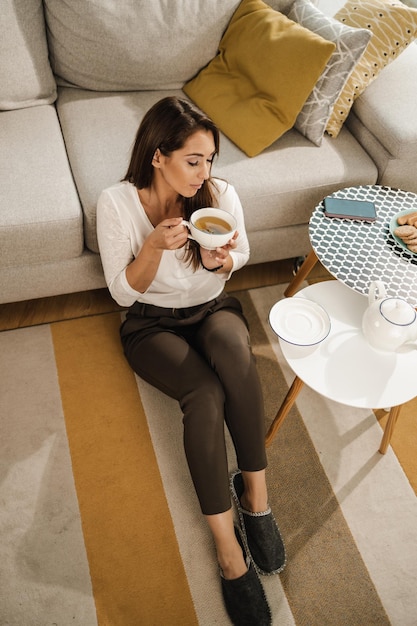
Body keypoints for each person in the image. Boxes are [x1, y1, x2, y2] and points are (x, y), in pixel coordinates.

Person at [97, 96, 285, 625]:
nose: (205, 172)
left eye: (209, 160)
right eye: (193, 160)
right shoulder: (116, 203)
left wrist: (222, 259)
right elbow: (121, 293)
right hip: (150, 322)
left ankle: (256, 501)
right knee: (204, 395)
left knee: (235, 356)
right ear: (158, 155)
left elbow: (240, 251)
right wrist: (154, 247)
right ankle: (229, 554)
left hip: (211, 306)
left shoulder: (219, 195)